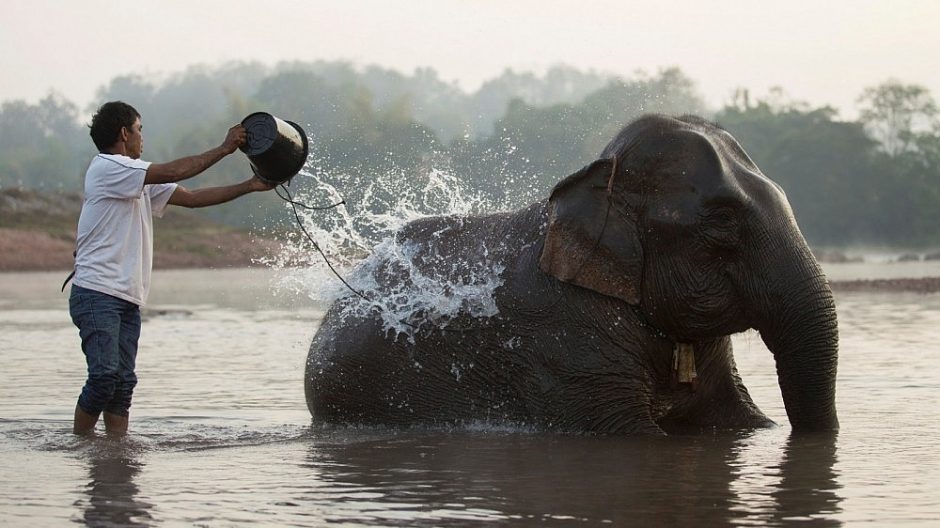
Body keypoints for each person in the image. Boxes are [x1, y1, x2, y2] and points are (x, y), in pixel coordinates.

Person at [69, 101, 273, 436]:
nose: (141, 137)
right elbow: (177, 171)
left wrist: (249, 186)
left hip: (126, 295)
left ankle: (115, 455)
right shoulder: (108, 167)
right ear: (124, 133)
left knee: (122, 384)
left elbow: (191, 197)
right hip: (96, 292)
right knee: (104, 376)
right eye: (139, 129)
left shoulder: (135, 177)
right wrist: (225, 148)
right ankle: (79, 447)